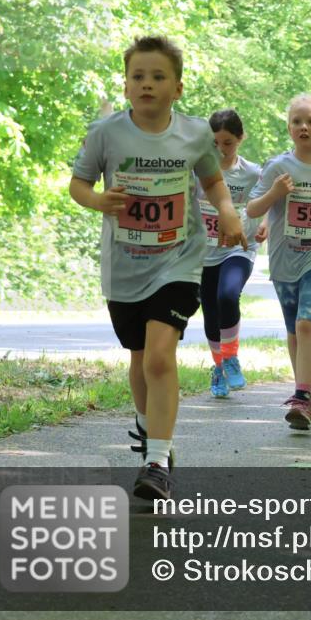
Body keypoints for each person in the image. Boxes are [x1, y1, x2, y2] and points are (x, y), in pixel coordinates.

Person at [70, 36, 247, 500]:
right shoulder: (105, 133)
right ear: (127, 85)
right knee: (137, 356)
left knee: (159, 356)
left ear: (178, 87)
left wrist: (227, 212)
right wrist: (96, 200)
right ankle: (151, 432)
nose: (147, 84)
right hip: (124, 266)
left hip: (179, 259)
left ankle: (157, 461)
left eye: (158, 77)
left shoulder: (193, 134)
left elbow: (213, 181)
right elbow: (78, 184)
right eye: (138, 76)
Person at [246, 93, 311, 429]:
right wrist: (276, 193)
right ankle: (301, 392)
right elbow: (252, 209)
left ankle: (303, 397)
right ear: (289, 128)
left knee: (307, 321)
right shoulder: (278, 167)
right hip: (284, 255)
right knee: (294, 329)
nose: (304, 127)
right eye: (297, 122)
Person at [201, 109, 267, 398]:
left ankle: (231, 358)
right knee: (211, 310)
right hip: (203, 250)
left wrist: (264, 224)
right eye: (215, 143)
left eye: (227, 143)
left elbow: (267, 204)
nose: (221, 150)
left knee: (227, 294)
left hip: (239, 248)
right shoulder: (198, 169)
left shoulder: (252, 172)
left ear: (241, 139)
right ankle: (218, 368)